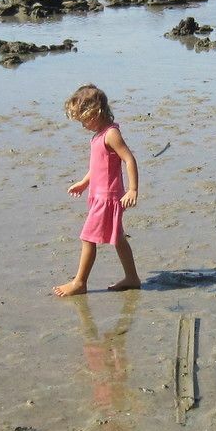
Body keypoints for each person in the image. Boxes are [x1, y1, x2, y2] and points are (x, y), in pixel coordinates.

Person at [51, 83, 141, 296]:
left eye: (83, 120)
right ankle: (132, 277)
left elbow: (128, 159)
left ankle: (80, 282)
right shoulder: (98, 135)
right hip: (98, 194)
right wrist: (84, 182)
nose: (82, 125)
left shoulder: (111, 134)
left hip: (108, 197)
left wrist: (133, 189)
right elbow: (99, 166)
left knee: (87, 238)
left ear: (96, 112)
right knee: (118, 238)